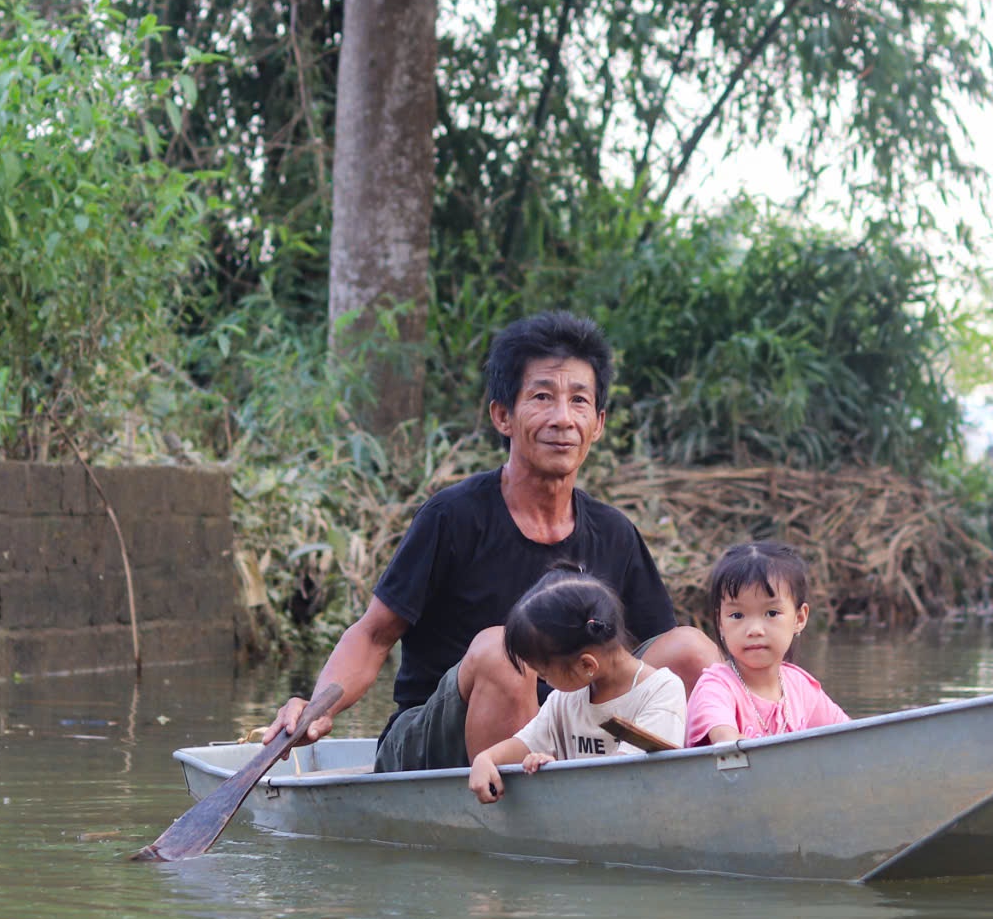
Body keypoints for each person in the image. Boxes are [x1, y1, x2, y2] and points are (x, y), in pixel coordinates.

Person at [269, 310, 721, 771]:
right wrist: (315, 709)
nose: (563, 419)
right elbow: (372, 636)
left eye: (579, 401)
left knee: (690, 649)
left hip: (562, 741)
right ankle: (513, 819)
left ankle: (702, 793)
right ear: (503, 416)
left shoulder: (615, 533)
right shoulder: (452, 517)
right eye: (542, 397)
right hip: (435, 741)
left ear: (598, 423)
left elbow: (654, 660)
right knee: (500, 651)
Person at [466, 570, 688, 804]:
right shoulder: (565, 700)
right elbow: (524, 743)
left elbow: (626, 777)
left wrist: (562, 773)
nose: (543, 681)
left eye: (544, 673)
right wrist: (486, 758)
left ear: (586, 665)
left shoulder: (660, 691)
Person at [685, 542, 849, 747]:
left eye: (771, 613)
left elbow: (850, 737)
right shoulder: (716, 687)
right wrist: (729, 738)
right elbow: (724, 738)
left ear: (799, 619)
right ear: (720, 623)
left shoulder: (800, 686)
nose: (754, 630)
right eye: (737, 615)